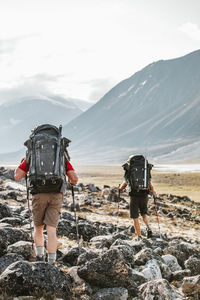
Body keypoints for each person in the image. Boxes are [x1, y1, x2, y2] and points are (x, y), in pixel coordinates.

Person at [14, 158, 78, 264]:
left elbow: (17, 176)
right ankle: (51, 263)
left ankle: (40, 258)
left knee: (38, 229)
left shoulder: (32, 154)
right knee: (51, 230)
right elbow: (74, 179)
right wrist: (70, 182)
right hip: (56, 195)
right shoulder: (60, 154)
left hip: (38, 193)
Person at [118, 159, 156, 240]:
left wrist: (120, 188)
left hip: (134, 197)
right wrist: (153, 192)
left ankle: (139, 236)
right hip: (144, 195)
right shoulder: (144, 172)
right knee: (144, 214)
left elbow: (124, 184)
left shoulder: (130, 173)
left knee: (135, 217)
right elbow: (149, 183)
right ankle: (148, 227)